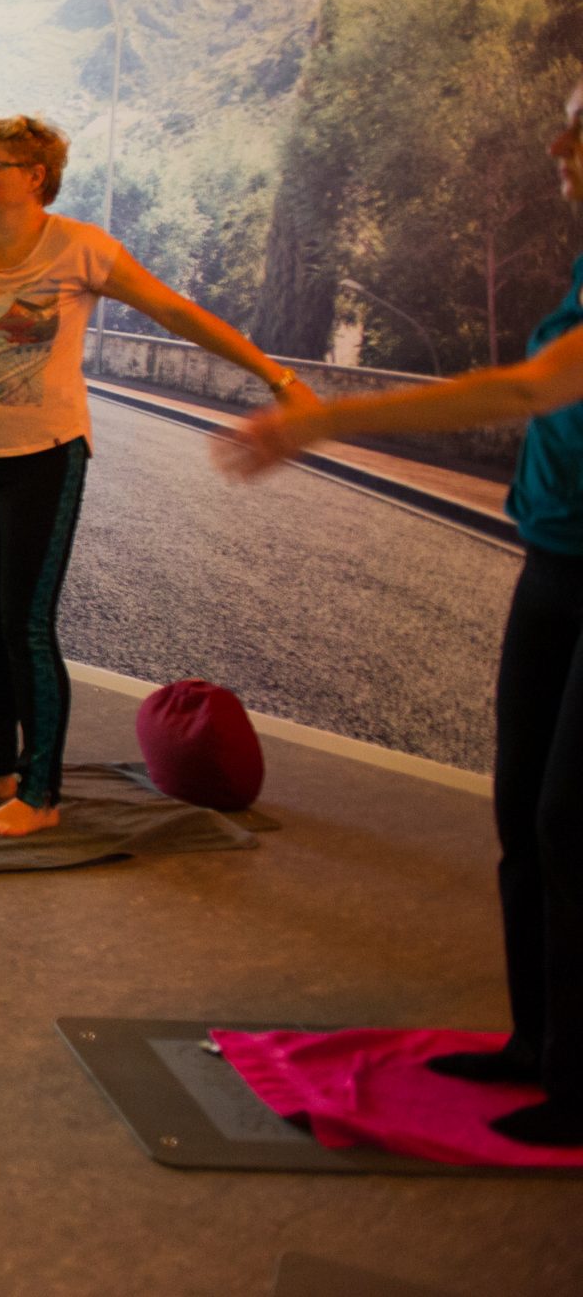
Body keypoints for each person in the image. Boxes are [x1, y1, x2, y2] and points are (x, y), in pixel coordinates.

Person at [216, 78, 583, 1147]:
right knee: (522, 811)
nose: (559, 144)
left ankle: (580, 1078)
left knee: (571, 825)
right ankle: (536, 1043)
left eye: (580, 129)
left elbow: (529, 389)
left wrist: (324, 422)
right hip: (554, 556)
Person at [0, 46, 314, 837]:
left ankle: (42, 793)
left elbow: (178, 313)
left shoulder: (80, 248)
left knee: (25, 625)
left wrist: (278, 377)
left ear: (36, 176)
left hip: (45, 456)